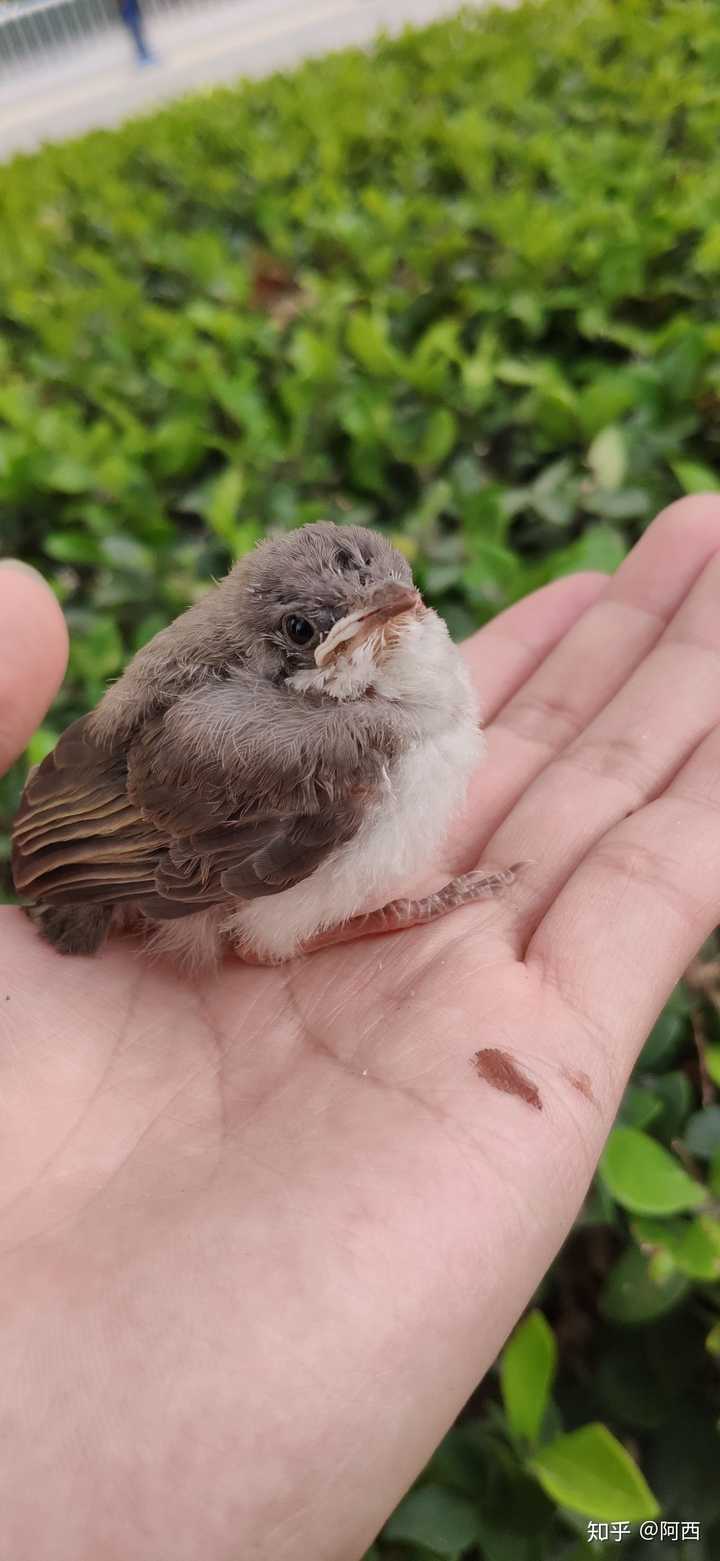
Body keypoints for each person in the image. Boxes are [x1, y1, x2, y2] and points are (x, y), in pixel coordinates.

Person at [0, 494, 719, 1558]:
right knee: (268, 911)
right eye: (306, 629)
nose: (394, 617)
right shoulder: (314, 754)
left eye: (399, 597)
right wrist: (402, 909)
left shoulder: (390, 679)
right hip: (150, 875)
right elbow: (222, 914)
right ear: (275, 650)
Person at [116, 0, 156, 67]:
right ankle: (143, 56)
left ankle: (144, 55)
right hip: (129, 12)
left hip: (130, 11)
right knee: (136, 30)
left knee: (137, 30)